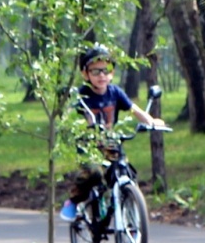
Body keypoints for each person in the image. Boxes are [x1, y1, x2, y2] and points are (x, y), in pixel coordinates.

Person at [60, 45, 166, 220]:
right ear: (85, 74)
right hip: (89, 146)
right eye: (95, 71)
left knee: (127, 172)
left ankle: (132, 219)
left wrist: (151, 121)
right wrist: (67, 124)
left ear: (112, 72)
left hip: (110, 142)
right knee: (94, 173)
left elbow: (134, 109)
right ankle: (73, 200)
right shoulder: (82, 95)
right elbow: (68, 116)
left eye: (106, 70)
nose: (101, 75)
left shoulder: (115, 92)